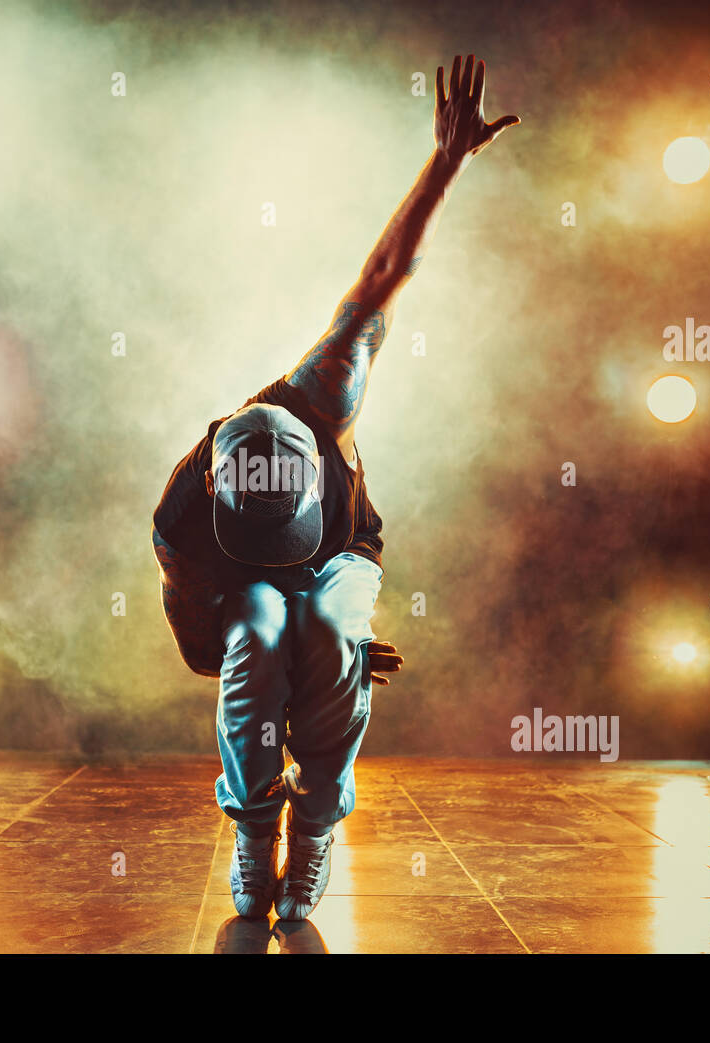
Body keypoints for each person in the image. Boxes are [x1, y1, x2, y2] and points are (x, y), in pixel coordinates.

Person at [152, 54, 519, 920]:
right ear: (219, 489)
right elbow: (206, 652)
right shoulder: (180, 524)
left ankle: (312, 832)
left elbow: (387, 269)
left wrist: (445, 164)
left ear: (320, 467)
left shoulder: (325, 392)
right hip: (244, 595)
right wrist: (298, 671)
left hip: (344, 556)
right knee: (260, 638)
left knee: (321, 622)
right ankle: (254, 831)